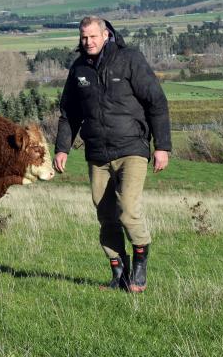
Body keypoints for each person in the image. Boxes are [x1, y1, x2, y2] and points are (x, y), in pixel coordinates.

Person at [53, 16, 171, 292]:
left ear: (106, 35)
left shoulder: (129, 59)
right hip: (97, 153)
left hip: (132, 148)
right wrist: (61, 149)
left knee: (128, 210)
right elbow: (69, 113)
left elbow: (156, 101)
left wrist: (162, 146)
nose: (88, 42)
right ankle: (119, 274)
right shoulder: (79, 69)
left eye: (93, 36)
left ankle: (140, 267)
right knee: (105, 216)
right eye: (84, 37)